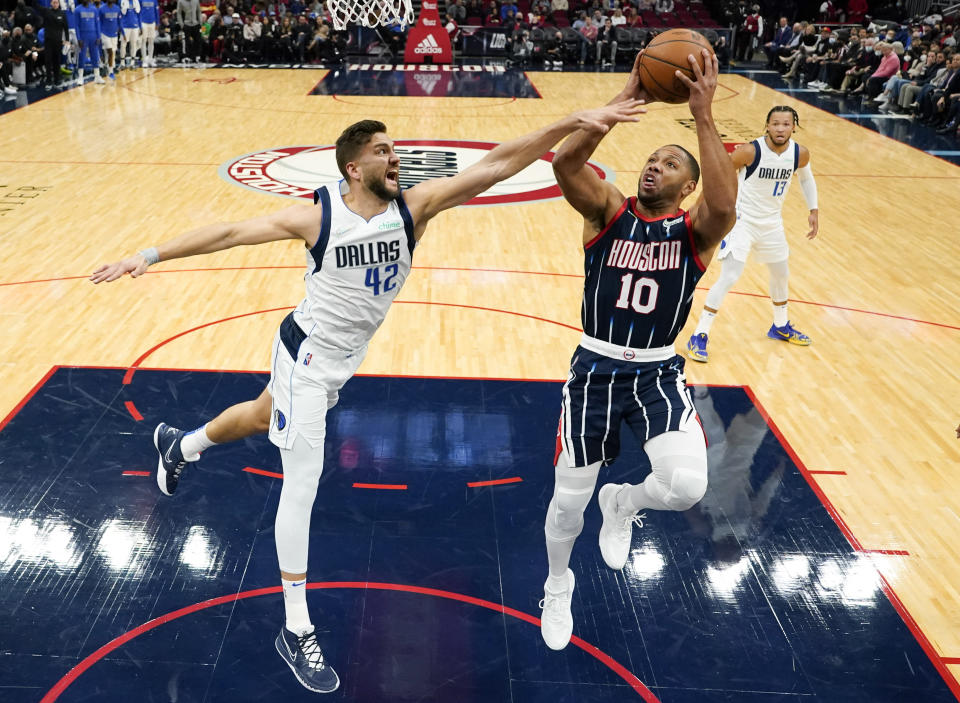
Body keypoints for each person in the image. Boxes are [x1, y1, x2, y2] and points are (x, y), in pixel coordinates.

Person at [90, 101, 644, 692]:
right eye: (382, 151)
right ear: (354, 169)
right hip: (305, 356)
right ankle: (295, 626)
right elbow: (228, 233)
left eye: (393, 149)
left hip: (336, 364)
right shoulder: (319, 217)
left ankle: (182, 445)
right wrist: (145, 256)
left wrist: (579, 122)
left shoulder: (414, 208)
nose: (394, 157)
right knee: (301, 484)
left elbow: (500, 164)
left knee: (259, 413)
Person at [538, 49, 737, 651]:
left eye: (669, 163)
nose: (655, 166)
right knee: (566, 507)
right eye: (651, 158)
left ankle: (623, 502)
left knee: (685, 488)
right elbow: (565, 164)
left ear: (689, 186)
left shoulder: (697, 231)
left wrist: (702, 115)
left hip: (657, 372)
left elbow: (726, 206)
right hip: (595, 369)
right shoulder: (607, 209)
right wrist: (615, 105)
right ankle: (556, 584)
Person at [686, 106, 818, 363]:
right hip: (742, 222)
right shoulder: (749, 151)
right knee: (730, 276)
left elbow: (806, 179)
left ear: (794, 126)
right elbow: (718, 177)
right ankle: (699, 334)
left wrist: (814, 209)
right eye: (775, 123)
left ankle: (780, 326)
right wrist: (699, 208)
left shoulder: (799, 154)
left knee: (781, 274)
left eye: (786, 124)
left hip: (772, 224)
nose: (780, 128)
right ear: (767, 126)